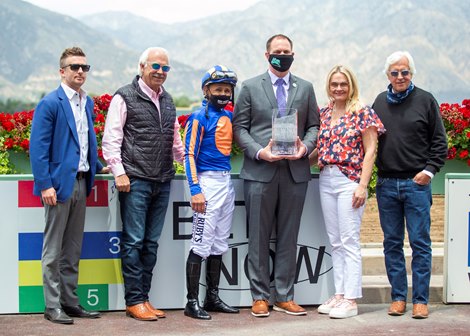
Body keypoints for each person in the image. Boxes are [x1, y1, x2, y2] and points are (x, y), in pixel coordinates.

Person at [233, 34, 319, 317]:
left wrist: (304, 148)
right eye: (277, 51)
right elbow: (239, 129)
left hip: (295, 172)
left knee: (288, 235)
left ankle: (284, 295)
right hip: (260, 171)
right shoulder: (248, 87)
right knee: (257, 236)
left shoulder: (305, 88)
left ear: (293, 53)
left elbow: (314, 127)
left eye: (287, 51)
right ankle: (259, 296)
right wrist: (260, 152)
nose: (282, 55)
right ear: (266, 54)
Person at [102, 47, 184, 321]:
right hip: (135, 180)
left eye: (165, 68)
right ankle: (134, 301)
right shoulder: (124, 96)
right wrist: (119, 173)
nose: (160, 72)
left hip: (162, 180)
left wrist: (192, 167)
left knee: (150, 244)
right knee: (134, 242)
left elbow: (176, 143)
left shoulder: (169, 101)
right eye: (155, 66)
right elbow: (111, 140)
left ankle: (144, 299)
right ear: (142, 66)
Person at [30, 46, 107, 324]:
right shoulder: (50, 103)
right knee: (53, 250)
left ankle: (70, 302)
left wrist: (98, 166)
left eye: (84, 67)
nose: (79, 71)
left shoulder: (86, 102)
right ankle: (52, 306)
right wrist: (45, 185)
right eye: (74, 67)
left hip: (82, 183)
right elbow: (38, 148)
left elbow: (83, 142)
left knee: (73, 249)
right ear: (62, 71)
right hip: (58, 187)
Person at [372, 51, 447, 319]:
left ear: (411, 73)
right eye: (395, 72)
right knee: (392, 243)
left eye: (405, 72)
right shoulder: (380, 102)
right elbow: (371, 143)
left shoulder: (426, 100)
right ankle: (398, 298)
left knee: (420, 243)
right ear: (388, 75)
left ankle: (420, 300)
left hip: (416, 184)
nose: (400, 76)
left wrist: (429, 171)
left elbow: (440, 142)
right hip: (387, 185)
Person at [311, 65, 384, 319]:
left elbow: (371, 150)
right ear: (328, 87)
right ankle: (340, 293)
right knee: (336, 241)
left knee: (349, 239)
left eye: (343, 84)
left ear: (351, 85)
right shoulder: (324, 113)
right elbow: (319, 151)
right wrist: (292, 152)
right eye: (334, 84)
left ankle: (351, 299)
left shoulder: (362, 112)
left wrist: (363, 185)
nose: (338, 88)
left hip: (349, 180)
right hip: (326, 178)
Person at [182, 65, 240, 320]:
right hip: (206, 184)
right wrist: (195, 189)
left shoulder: (229, 116)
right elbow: (189, 155)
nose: (224, 93)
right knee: (201, 244)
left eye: (227, 89)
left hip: (226, 184)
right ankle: (191, 301)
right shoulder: (198, 116)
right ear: (206, 90)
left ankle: (212, 297)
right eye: (218, 89)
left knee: (219, 244)